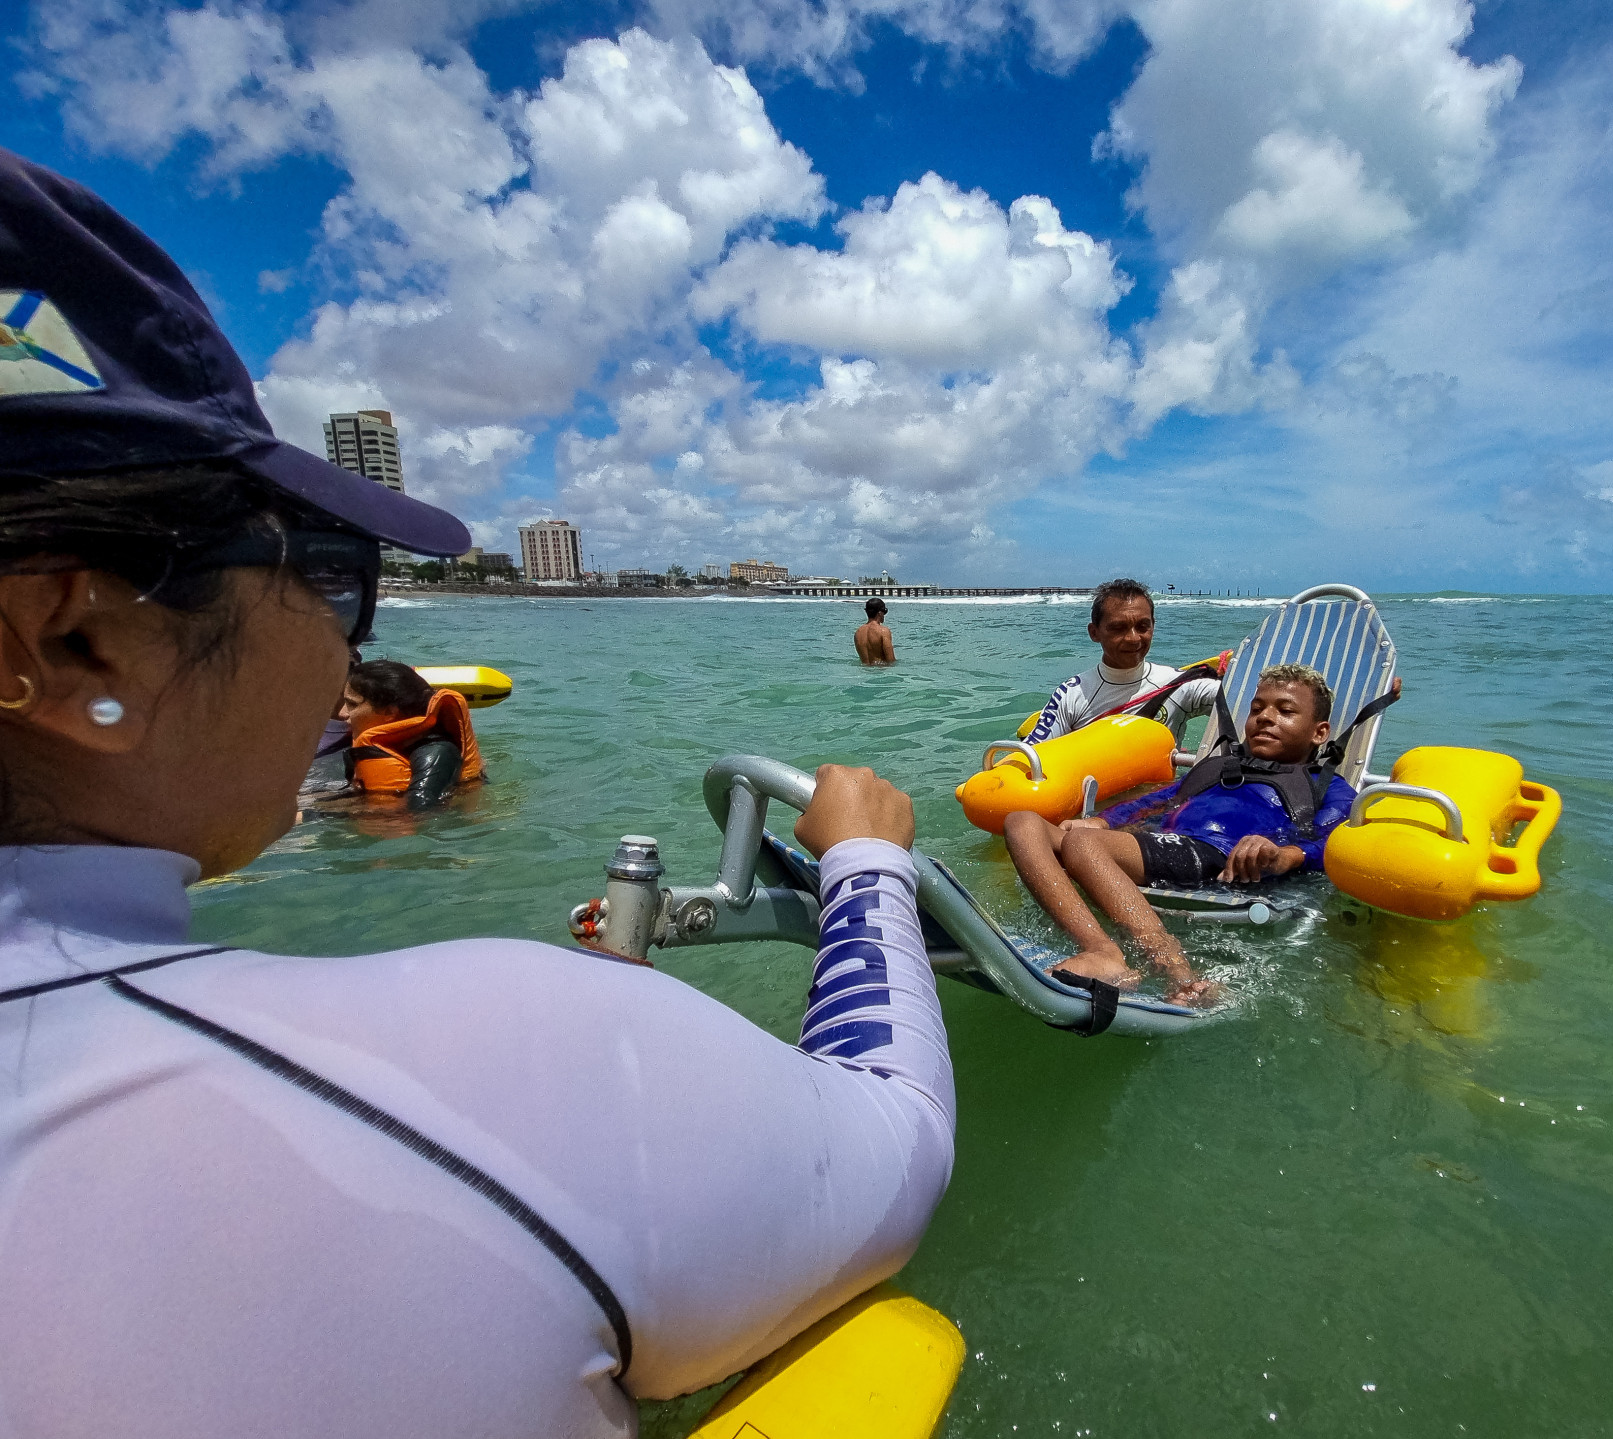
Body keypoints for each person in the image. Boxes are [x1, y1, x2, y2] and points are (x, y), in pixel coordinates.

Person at [0, 147, 953, 1436]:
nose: (341, 645)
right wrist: (866, 866)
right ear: (70, 644)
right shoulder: (498, 1071)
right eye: (332, 567)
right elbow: (897, 1140)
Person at [1005, 665, 1361, 1007]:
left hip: (1216, 857)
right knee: (1022, 822)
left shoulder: (1326, 786)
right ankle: (1096, 946)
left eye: (1285, 711)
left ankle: (1166, 966)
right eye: (1257, 708)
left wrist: (1288, 855)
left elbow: (1337, 840)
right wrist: (1104, 821)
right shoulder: (1217, 766)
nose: (1265, 717)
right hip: (1166, 847)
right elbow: (1158, 802)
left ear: (1319, 732)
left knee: (1081, 844)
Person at [1027, 577, 1219, 745]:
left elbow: (1242, 703)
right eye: (1119, 628)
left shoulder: (1180, 686)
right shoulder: (1072, 694)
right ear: (1094, 633)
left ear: (1153, 627)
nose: (1133, 638)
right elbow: (1029, 756)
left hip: (1165, 787)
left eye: (1143, 626)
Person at [335, 658, 485, 809]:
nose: (342, 713)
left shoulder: (438, 752)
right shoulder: (384, 743)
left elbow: (421, 811)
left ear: (389, 712)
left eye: (352, 704)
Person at [854, 597, 895, 664]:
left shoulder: (858, 632)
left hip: (864, 672)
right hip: (881, 672)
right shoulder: (883, 631)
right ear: (880, 613)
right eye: (884, 612)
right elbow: (891, 660)